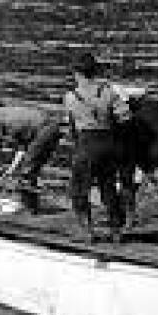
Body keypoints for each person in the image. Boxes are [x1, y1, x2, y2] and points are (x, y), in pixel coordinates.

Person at [63, 52, 128, 243]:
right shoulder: (108, 92)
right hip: (108, 143)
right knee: (108, 188)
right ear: (95, 71)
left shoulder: (71, 97)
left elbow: (70, 126)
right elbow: (125, 118)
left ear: (77, 73)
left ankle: (86, 231)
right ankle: (116, 230)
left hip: (86, 143)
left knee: (79, 189)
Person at [0, 105, 63, 212]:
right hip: (53, 128)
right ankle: (32, 207)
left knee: (27, 171)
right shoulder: (13, 118)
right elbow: (22, 149)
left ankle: (28, 208)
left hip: (44, 129)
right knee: (31, 170)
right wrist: (11, 169)